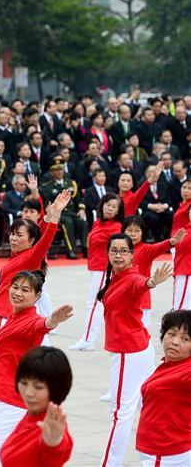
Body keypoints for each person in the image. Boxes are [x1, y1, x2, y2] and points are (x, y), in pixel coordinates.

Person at [0, 190, 71, 451]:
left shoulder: (31, 257)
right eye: (12, 233)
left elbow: (43, 243)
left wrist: (52, 219)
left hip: (3, 321)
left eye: (19, 235)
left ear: (30, 240)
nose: (13, 237)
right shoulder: (19, 258)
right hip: (4, 317)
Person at [0, 271, 74, 466]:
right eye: (15, 287)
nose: (18, 293)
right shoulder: (14, 318)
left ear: (37, 297)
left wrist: (51, 321)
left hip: (3, 400)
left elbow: (40, 325)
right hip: (10, 401)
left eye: (25, 290)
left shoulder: (29, 321)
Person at [98, 233, 173, 467]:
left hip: (128, 353)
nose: (118, 255)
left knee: (121, 414)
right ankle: (156, 454)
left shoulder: (131, 278)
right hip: (139, 349)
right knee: (147, 406)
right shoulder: (115, 277)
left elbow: (142, 284)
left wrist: (152, 282)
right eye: (114, 251)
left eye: (123, 251)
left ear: (132, 255)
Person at [72, 163, 160, 350]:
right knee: (98, 305)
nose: (110, 208)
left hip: (104, 269)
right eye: (107, 205)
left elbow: (133, 202)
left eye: (114, 206)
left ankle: (88, 340)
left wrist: (148, 182)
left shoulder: (117, 226)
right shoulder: (98, 222)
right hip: (94, 268)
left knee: (94, 304)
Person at [0, 346, 74, 467]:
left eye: (38, 387)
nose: (28, 393)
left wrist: (53, 441)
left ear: (56, 388)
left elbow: (55, 451)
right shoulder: (31, 416)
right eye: (23, 383)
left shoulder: (50, 427)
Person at [135, 309, 191, 467]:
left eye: (185, 339)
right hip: (158, 452)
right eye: (171, 334)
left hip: (167, 454)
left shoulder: (187, 371)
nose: (175, 342)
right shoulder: (170, 365)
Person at [121, 216, 186, 330]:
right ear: (123, 232)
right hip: (122, 299)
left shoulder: (146, 250)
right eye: (129, 230)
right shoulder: (119, 250)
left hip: (141, 301)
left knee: (141, 335)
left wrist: (171, 242)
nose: (133, 234)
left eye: (137, 231)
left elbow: (159, 247)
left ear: (143, 233)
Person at [171, 181, 191, 309]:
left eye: (190, 188)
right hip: (178, 244)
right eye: (184, 187)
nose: (186, 190)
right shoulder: (181, 206)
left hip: (185, 245)